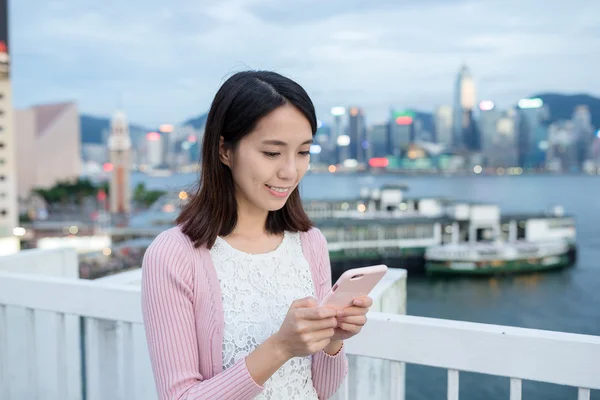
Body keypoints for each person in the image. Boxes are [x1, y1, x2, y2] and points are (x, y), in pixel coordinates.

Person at [141, 70, 373, 400]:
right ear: (224, 150)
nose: (290, 171)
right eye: (271, 153)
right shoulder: (175, 254)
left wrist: (333, 339)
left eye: (303, 152)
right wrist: (280, 347)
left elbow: (320, 389)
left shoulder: (309, 243)